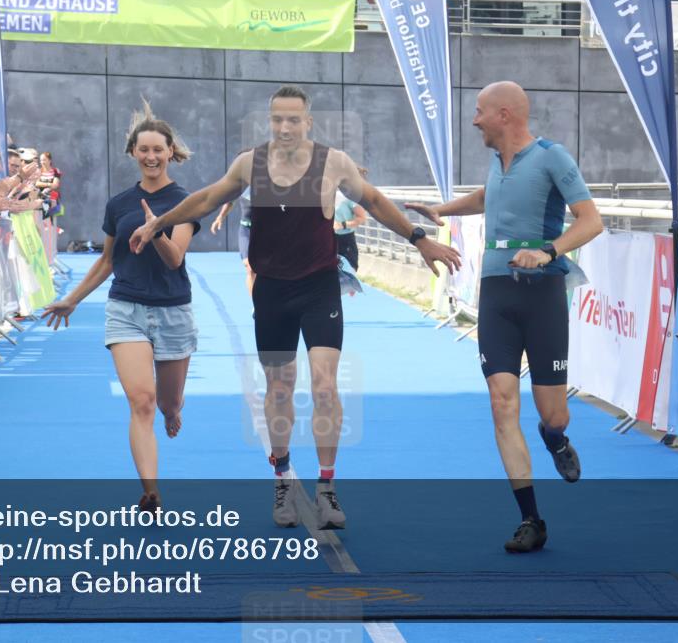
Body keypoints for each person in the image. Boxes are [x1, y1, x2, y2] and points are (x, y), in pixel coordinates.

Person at [130, 85, 462, 529]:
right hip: (271, 291)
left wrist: (419, 240)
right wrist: (161, 223)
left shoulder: (333, 163)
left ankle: (327, 488)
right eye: (277, 120)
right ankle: (284, 477)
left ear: (308, 123)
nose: (284, 127)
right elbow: (208, 198)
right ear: (270, 122)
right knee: (280, 388)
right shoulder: (251, 163)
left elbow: (375, 201)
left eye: (293, 120)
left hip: (319, 287)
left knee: (325, 387)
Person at [406, 81, 603, 553]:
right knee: (501, 401)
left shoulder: (553, 156)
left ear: (505, 114)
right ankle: (530, 519)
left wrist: (546, 251)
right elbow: (485, 197)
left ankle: (554, 437)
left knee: (553, 412)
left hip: (542, 295)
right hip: (496, 295)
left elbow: (591, 220)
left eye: (479, 112)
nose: (474, 121)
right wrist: (440, 210)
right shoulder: (498, 162)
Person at [43, 103, 199, 512]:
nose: (151, 157)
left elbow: (175, 259)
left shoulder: (185, 202)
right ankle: (151, 490)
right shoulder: (118, 204)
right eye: (143, 149)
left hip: (172, 311)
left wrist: (155, 230)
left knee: (167, 402)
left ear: (170, 153)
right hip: (126, 307)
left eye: (158, 150)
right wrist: (71, 299)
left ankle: (172, 411)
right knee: (141, 401)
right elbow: (107, 261)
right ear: (133, 152)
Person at [210, 185, 254, 295]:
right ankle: (256, 305)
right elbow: (230, 201)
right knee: (250, 267)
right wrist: (220, 217)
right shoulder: (243, 182)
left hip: (265, 232)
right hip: (246, 230)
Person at [333, 166, 369, 271]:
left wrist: (342, 225)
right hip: (329, 240)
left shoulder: (351, 197)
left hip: (346, 241)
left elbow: (362, 218)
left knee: (348, 274)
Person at [35, 151, 62, 218]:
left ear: (49, 160)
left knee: (51, 214)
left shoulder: (55, 171)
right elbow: (36, 183)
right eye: (41, 160)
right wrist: (49, 184)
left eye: (44, 160)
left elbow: (55, 185)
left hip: (51, 197)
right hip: (41, 197)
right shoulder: (39, 171)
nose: (42, 162)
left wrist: (44, 185)